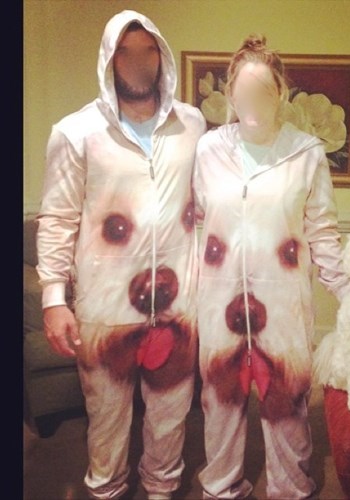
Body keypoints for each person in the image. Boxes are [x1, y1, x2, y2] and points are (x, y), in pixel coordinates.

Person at [36, 10, 206, 500]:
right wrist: (54, 299)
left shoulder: (191, 124)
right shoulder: (75, 132)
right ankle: (107, 490)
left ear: (161, 57)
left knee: (171, 415)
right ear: (110, 59)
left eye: (148, 51)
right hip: (106, 309)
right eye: (125, 53)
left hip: (178, 306)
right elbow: (58, 218)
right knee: (107, 420)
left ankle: (161, 489)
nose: (138, 62)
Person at [193, 35, 350, 499]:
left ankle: (290, 487)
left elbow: (322, 230)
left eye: (263, 90)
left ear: (281, 92)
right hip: (219, 300)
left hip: (283, 302)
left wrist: (348, 293)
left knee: (287, 398)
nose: (252, 101)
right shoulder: (208, 150)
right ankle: (222, 486)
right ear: (230, 92)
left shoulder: (306, 153)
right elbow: (198, 221)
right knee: (220, 399)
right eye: (243, 91)